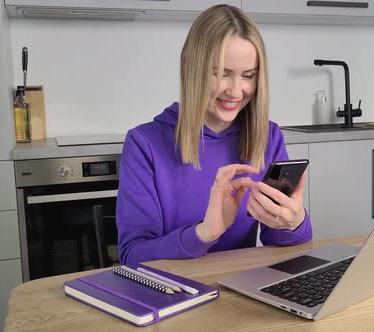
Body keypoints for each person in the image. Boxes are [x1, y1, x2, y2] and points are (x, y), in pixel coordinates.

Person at [116, 4, 313, 265]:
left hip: (241, 291)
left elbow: (281, 245)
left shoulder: (268, 136)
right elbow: (132, 255)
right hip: (172, 295)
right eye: (221, 74)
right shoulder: (145, 144)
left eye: (248, 76)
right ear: (189, 66)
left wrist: (294, 221)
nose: (235, 91)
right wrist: (204, 233)